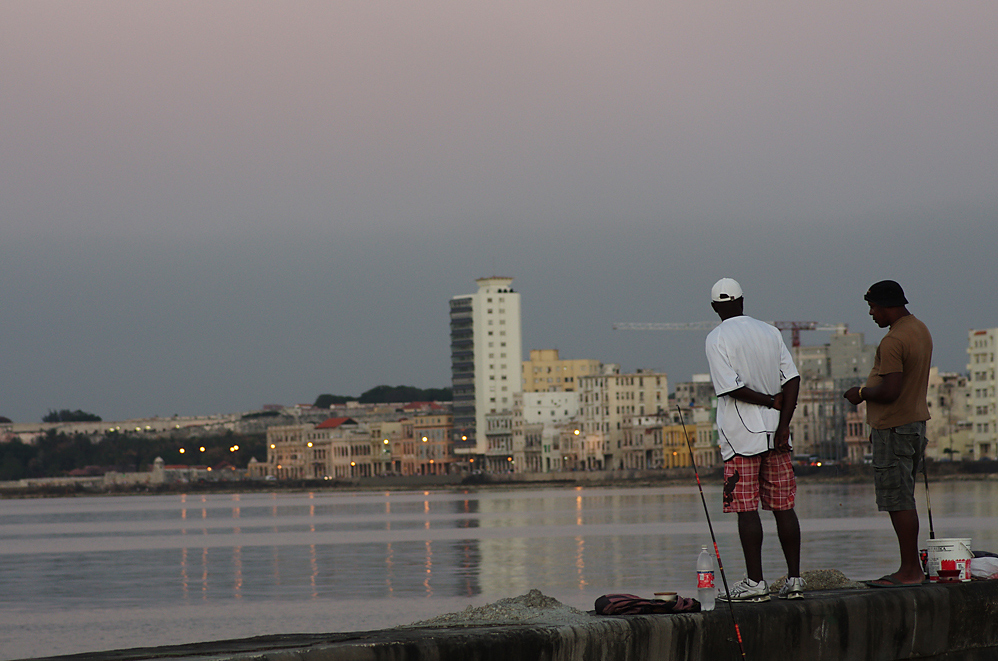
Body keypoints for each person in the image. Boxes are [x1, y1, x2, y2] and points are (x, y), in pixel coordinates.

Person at [704, 278, 803, 601]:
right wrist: (784, 423)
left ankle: (755, 583)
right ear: (743, 301)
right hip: (776, 433)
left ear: (716, 307)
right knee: (783, 507)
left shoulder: (716, 338)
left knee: (747, 509)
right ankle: (795, 579)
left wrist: (767, 402)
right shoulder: (770, 332)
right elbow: (791, 379)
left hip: (739, 436)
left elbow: (730, 387)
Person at [844, 280, 932, 587]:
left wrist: (861, 393)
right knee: (904, 496)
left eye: (873, 307)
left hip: (895, 428)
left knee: (898, 500)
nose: (871, 313)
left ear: (887, 305)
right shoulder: (920, 330)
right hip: (912, 425)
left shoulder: (893, 341)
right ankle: (912, 568)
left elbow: (891, 390)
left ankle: (909, 571)